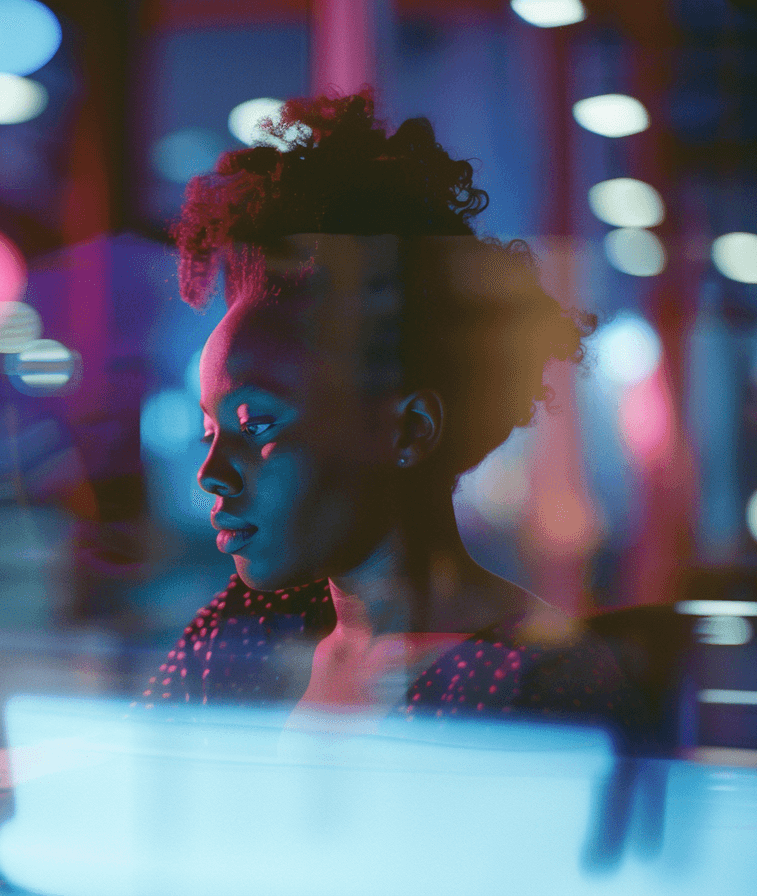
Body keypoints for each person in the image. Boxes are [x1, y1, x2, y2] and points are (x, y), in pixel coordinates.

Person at [136, 92, 646, 741]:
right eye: (212, 432)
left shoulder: (541, 685)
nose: (212, 474)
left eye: (257, 425)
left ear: (407, 431)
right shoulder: (239, 634)